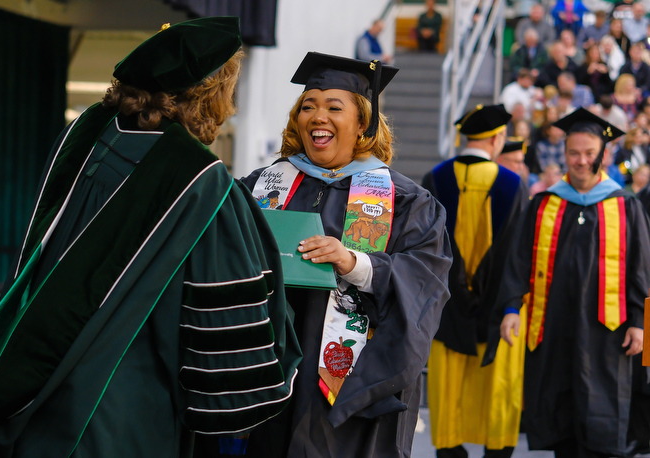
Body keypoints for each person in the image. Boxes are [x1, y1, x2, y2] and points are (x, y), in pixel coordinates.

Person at [0, 17, 301, 458]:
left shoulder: (87, 136)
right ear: (210, 92)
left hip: (38, 362)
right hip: (122, 399)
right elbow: (216, 307)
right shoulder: (199, 179)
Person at [238, 52, 451, 458]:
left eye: (334, 107)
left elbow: (426, 281)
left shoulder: (405, 200)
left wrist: (355, 263)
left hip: (350, 388)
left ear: (363, 124)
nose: (318, 116)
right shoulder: (262, 186)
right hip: (270, 377)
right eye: (308, 106)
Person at [490, 107, 650, 457]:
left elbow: (641, 269)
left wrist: (640, 324)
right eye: (574, 153)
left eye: (589, 153)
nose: (580, 161)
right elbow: (520, 260)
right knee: (561, 419)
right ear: (564, 153)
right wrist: (512, 307)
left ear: (603, 155)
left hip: (609, 331)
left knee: (603, 424)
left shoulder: (625, 205)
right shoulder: (546, 202)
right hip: (555, 325)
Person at [422, 104, 528, 458]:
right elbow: (517, 255)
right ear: (498, 139)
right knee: (497, 393)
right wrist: (511, 304)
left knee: (448, 389)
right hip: (499, 310)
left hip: (445, 309)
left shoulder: (435, 177)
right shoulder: (513, 184)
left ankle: (451, 448)